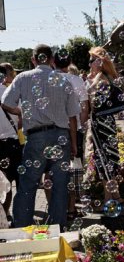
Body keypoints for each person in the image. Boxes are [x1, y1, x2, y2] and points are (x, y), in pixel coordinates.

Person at [1, 44, 80, 230]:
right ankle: (57, 228)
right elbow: (72, 117)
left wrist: (21, 112)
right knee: (60, 185)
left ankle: (22, 227)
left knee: (27, 184)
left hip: (35, 136)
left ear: (33, 59)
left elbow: (5, 102)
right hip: (61, 135)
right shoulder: (63, 80)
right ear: (52, 60)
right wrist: (74, 144)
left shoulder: (23, 77)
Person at [53, 51, 89, 219]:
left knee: (54, 170)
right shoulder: (76, 79)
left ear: (54, 62)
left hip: (53, 130)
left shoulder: (48, 79)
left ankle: (55, 208)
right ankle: (71, 208)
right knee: (74, 169)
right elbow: (83, 107)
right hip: (73, 129)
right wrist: (81, 127)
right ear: (69, 63)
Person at [86, 46, 122, 203]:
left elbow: (92, 101)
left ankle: (109, 200)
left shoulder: (100, 78)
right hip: (105, 122)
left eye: (91, 60)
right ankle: (116, 196)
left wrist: (88, 86)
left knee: (103, 158)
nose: (89, 64)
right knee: (108, 158)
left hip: (101, 123)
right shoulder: (103, 76)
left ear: (99, 62)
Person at [0, 65, 22, 221]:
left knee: (2, 182)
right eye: (12, 74)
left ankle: (3, 215)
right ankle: (12, 215)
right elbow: (21, 120)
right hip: (12, 143)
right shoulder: (11, 93)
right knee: (15, 182)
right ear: (6, 76)